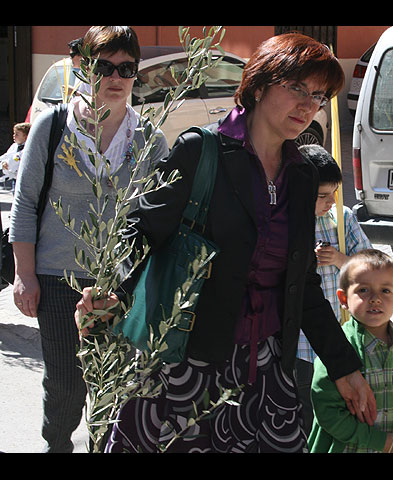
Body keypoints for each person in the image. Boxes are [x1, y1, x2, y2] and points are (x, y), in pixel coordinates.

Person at [75, 32, 376, 453]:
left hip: (267, 372)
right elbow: (140, 234)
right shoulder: (201, 151)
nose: (308, 105)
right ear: (257, 85)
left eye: (319, 95)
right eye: (296, 89)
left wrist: (345, 366)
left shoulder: (303, 176)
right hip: (184, 366)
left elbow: (303, 285)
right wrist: (108, 292)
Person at [9, 26, 169, 453]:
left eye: (126, 68)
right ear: (84, 67)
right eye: (104, 66)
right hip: (58, 279)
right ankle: (56, 445)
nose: (116, 77)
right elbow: (24, 205)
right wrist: (25, 275)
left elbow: (157, 220)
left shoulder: (149, 141)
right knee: (65, 382)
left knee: (114, 382)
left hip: (119, 285)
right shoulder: (52, 126)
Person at [308, 249, 393, 453]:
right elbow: (328, 413)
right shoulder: (336, 351)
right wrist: (380, 441)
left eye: (385, 290)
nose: (375, 298)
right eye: (364, 290)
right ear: (343, 298)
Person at [295, 144, 371, 435]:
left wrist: (340, 259)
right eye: (322, 196)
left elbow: (371, 268)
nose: (331, 201)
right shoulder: (287, 224)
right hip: (301, 345)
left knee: (337, 413)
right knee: (305, 410)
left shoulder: (343, 218)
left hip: (339, 336)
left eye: (335, 193)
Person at [1, 122, 31, 192]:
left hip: (25, 179)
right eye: (14, 133)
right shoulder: (14, 146)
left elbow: (17, 158)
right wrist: (4, 162)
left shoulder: (28, 148)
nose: (14, 136)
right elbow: (7, 155)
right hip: (14, 177)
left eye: (17, 134)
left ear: (26, 137)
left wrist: (8, 163)